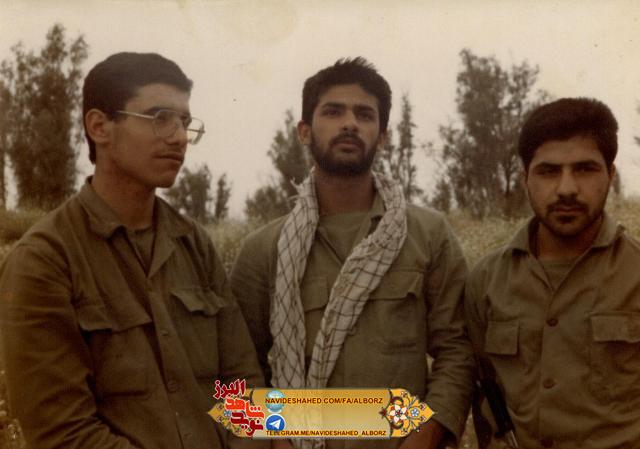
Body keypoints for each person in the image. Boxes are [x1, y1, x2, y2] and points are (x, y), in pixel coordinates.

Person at [0, 52, 265, 449]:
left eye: (185, 122)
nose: (179, 137)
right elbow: (63, 433)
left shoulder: (194, 244)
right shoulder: (44, 260)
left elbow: (242, 384)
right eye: (160, 117)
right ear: (99, 126)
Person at [230, 57, 474, 449]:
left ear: (382, 136)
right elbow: (238, 367)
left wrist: (426, 434)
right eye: (333, 112)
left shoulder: (427, 235)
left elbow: (457, 349)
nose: (349, 124)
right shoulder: (265, 250)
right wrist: (275, 440)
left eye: (364, 114)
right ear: (304, 131)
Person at [465, 97, 639, 449]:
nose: (566, 189)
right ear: (525, 179)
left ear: (611, 176)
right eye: (548, 171)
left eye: (585, 169)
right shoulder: (485, 280)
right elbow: (472, 386)